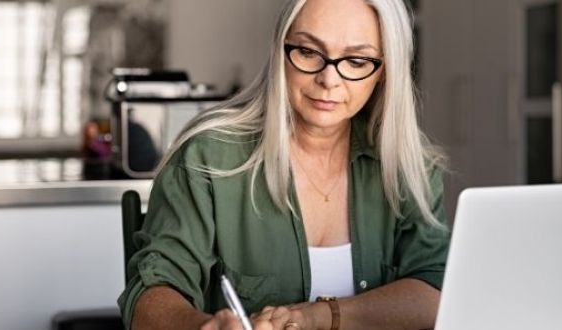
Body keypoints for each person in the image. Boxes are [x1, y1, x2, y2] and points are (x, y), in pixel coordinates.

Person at [118, 0, 449, 329]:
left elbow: (436, 288)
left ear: (384, 71)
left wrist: (318, 316)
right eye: (308, 52)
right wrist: (201, 327)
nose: (329, 79)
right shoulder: (205, 158)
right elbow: (151, 292)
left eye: (357, 60)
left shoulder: (408, 167)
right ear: (281, 50)